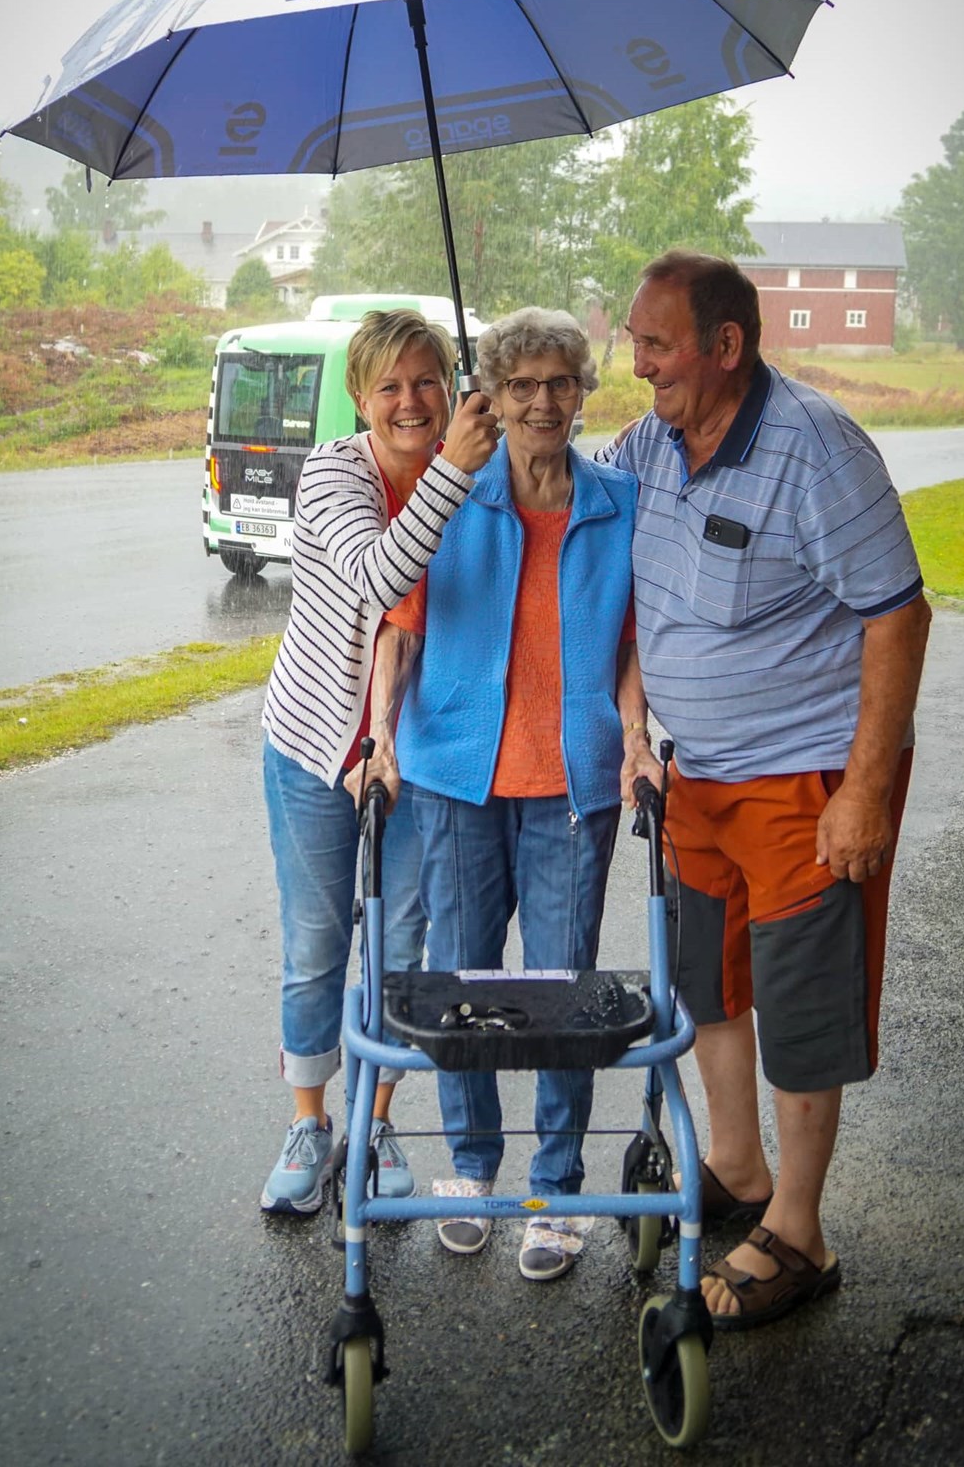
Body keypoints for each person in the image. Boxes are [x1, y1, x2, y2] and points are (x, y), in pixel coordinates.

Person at [606, 249, 931, 1330]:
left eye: (656, 343)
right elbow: (592, 526)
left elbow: (899, 613)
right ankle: (738, 1172)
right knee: (713, 979)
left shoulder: (814, 447)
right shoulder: (652, 442)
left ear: (726, 345)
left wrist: (867, 792)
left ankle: (799, 1231)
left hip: (806, 778)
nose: (636, 361)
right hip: (698, 776)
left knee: (798, 999)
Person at [351, 308, 646, 1282]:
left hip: (574, 784)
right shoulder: (451, 500)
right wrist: (382, 737)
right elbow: (399, 630)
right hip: (453, 780)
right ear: (495, 395)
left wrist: (638, 739)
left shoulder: (619, 503)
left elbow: (635, 646)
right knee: (467, 987)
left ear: (584, 389)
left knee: (563, 993)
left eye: (562, 382)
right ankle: (474, 1170)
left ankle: (556, 1187)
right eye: (522, 386)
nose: (543, 403)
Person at [259, 308, 499, 1216]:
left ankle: (379, 1116)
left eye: (427, 381)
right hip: (318, 748)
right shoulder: (332, 473)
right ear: (359, 398)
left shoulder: (476, 478)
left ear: (450, 387)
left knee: (400, 950)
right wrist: (454, 468)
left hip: (421, 758)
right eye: (389, 386)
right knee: (318, 947)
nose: (410, 401)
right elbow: (374, 578)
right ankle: (310, 1122)